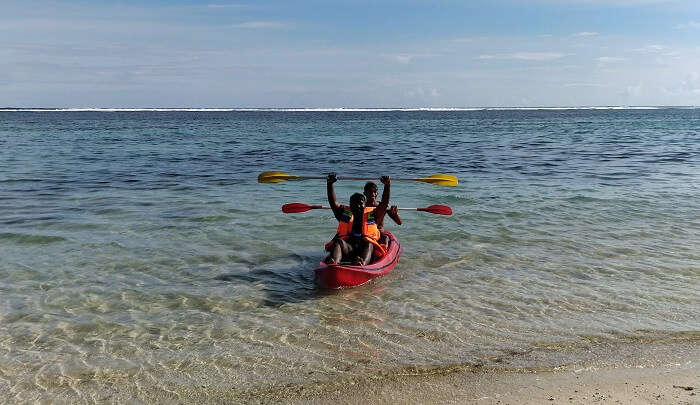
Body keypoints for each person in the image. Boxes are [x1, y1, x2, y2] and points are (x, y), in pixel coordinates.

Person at [324, 173, 391, 265]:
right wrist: (329, 184)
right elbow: (333, 202)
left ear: (365, 205)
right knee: (338, 242)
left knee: (369, 244)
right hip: (349, 248)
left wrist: (387, 185)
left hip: (365, 250)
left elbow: (384, 204)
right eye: (354, 203)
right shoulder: (344, 214)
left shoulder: (372, 215)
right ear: (350, 205)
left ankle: (362, 264)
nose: (357, 206)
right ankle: (334, 263)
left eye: (360, 203)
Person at [363, 181, 402, 248]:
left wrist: (395, 214)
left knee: (385, 237)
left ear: (377, 193)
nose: (373, 194)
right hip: (366, 234)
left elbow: (399, 222)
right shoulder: (361, 207)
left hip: (379, 234)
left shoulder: (383, 206)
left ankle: (382, 250)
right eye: (370, 192)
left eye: (375, 192)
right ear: (365, 193)